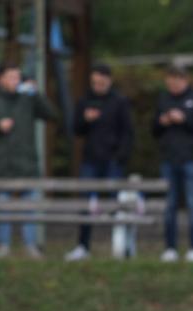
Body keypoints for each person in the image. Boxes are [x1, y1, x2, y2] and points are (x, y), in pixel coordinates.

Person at [0, 62, 58, 259]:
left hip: (27, 164)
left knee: (30, 207)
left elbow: (51, 114)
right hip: (1, 164)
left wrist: (36, 93)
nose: (16, 81)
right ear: (1, 79)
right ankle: (3, 246)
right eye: (11, 77)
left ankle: (31, 246)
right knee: (3, 207)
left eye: (18, 77)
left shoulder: (28, 99)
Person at [65, 63, 134, 261]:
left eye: (101, 82)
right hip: (91, 160)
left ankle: (121, 246)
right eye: (95, 82)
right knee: (86, 203)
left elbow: (128, 132)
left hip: (113, 161)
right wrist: (85, 119)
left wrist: (120, 156)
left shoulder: (119, 101)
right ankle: (83, 246)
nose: (98, 86)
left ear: (109, 81)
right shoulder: (85, 100)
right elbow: (76, 129)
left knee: (117, 205)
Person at [152, 65, 193, 263]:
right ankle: (170, 248)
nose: (173, 87)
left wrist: (184, 120)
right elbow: (154, 130)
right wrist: (162, 122)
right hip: (169, 160)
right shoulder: (163, 99)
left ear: (184, 80)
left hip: (191, 159)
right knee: (170, 206)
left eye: (176, 83)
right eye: (169, 84)